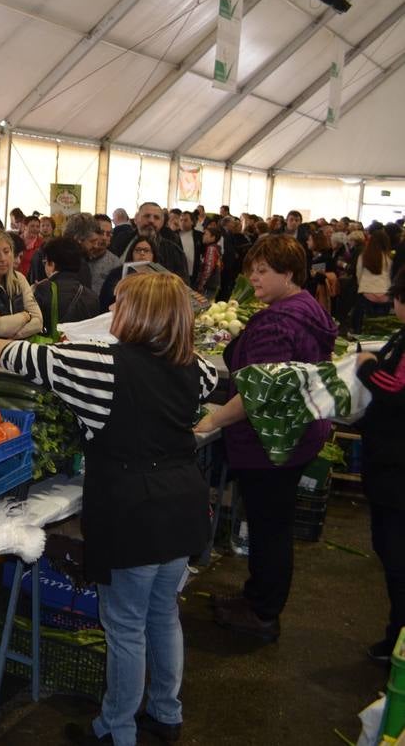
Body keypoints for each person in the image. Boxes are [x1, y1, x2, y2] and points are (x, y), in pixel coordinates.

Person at [0, 272, 217, 746]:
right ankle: (166, 714)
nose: (112, 312)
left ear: (137, 314)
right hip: (183, 503)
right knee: (162, 614)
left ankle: (116, 729)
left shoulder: (104, 365)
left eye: (119, 304)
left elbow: (27, 358)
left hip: (135, 509)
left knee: (126, 626)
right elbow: (211, 379)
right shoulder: (193, 366)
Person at [195, 236, 337, 643]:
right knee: (269, 525)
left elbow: (259, 392)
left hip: (274, 441)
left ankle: (261, 614)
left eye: (264, 270)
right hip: (296, 434)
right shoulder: (304, 307)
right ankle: (258, 599)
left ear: (288, 273)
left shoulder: (279, 322)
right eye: (251, 269)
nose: (253, 277)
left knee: (269, 527)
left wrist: (212, 421)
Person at [357, 270, 405, 662]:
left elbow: (396, 391)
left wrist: (367, 367)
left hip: (397, 469)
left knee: (396, 554)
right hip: (388, 463)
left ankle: (398, 642)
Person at [33, 237, 100, 331]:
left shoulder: (43, 291)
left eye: (45, 262)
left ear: (52, 264)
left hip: (52, 345)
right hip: (82, 344)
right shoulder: (92, 296)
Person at [111, 202, 185, 276]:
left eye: (156, 217)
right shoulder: (120, 240)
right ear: (136, 219)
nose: (151, 220)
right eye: (147, 216)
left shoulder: (173, 252)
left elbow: (182, 285)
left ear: (162, 223)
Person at [99, 235, 160, 311]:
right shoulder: (117, 274)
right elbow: (107, 301)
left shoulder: (160, 275)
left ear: (153, 255)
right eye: (138, 250)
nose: (142, 253)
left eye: (146, 250)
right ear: (131, 253)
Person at [354, 230, 393, 333]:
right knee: (382, 327)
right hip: (385, 294)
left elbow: (358, 274)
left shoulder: (363, 256)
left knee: (363, 327)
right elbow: (392, 276)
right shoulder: (389, 258)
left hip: (367, 293)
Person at [193, 220, 223, 298]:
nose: (203, 236)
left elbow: (208, 268)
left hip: (209, 285)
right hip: (213, 284)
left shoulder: (211, 249)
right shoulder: (216, 248)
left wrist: (201, 284)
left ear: (213, 237)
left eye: (206, 234)